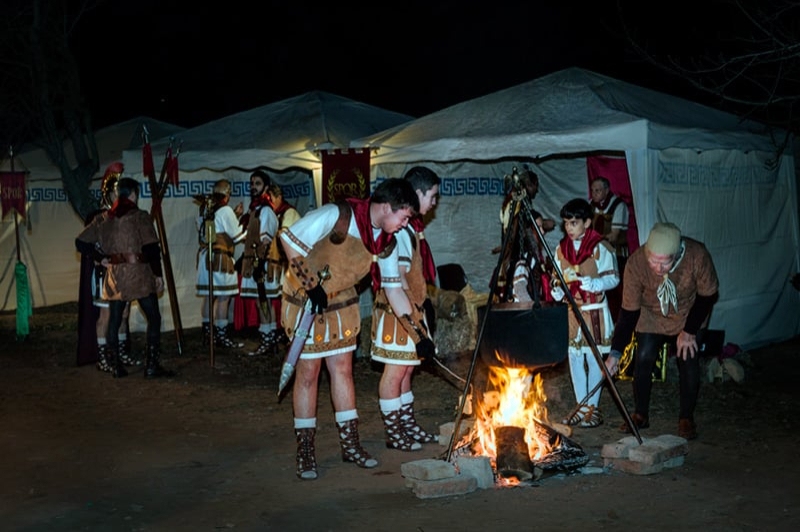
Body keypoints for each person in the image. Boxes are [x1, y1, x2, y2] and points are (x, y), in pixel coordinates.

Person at [279, 178, 420, 480]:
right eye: (404, 216)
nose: (405, 223)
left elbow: (394, 290)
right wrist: (310, 285)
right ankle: (305, 451)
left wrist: (417, 335)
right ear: (386, 207)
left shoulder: (386, 242)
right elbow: (288, 239)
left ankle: (350, 444)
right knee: (308, 374)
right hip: (308, 300)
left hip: (341, 304)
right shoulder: (336, 215)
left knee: (343, 369)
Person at [605, 222, 719, 440]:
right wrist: (615, 353)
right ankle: (640, 414)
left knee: (688, 359)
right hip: (651, 313)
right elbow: (628, 313)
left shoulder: (696, 256)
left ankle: (686, 417)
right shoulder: (636, 263)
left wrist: (689, 331)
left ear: (675, 255)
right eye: (653, 260)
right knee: (644, 356)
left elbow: (708, 295)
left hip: (689, 311)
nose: (657, 268)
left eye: (663, 262)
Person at [75, 177, 175, 379]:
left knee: (114, 320)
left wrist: (101, 258)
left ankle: (116, 367)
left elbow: (80, 242)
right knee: (153, 318)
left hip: (115, 276)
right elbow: (151, 248)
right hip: (139, 274)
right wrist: (158, 275)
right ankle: (151, 366)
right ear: (132, 194)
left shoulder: (103, 218)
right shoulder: (140, 216)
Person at [371, 167, 441, 452]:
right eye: (433, 196)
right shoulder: (399, 232)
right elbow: (397, 279)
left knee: (407, 371)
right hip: (397, 315)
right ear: (418, 193)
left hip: (412, 310)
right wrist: (414, 316)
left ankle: (406, 424)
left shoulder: (409, 228)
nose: (434, 203)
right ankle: (394, 431)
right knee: (395, 372)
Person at [550, 198, 619, 428]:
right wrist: (557, 290)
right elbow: (556, 278)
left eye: (574, 223)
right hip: (573, 312)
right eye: (566, 223)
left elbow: (614, 277)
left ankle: (593, 407)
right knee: (575, 358)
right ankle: (581, 406)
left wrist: (594, 283)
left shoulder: (600, 248)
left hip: (594, 311)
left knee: (593, 357)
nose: (569, 228)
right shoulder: (561, 249)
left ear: (587, 222)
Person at [76, 163, 135, 371]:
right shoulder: (99, 218)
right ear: (109, 194)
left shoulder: (127, 216)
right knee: (106, 316)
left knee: (124, 314)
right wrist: (99, 257)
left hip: (124, 273)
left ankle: (120, 353)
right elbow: (82, 243)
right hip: (105, 274)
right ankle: (103, 358)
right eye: (116, 193)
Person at [196, 179, 246, 349]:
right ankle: (222, 335)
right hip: (220, 260)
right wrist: (250, 228)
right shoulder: (225, 210)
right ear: (227, 193)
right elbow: (237, 235)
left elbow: (212, 229)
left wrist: (235, 215)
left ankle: (207, 333)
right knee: (223, 297)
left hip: (206, 257)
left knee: (209, 297)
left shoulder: (205, 208)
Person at [495, 166, 555, 302]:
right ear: (529, 185)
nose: (537, 190)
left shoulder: (517, 201)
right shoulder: (517, 202)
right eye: (535, 186)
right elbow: (520, 290)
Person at [237, 170, 279, 356]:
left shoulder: (267, 210)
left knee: (264, 300)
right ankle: (267, 337)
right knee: (260, 300)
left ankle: (269, 338)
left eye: (258, 183)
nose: (254, 186)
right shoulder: (254, 210)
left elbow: (266, 240)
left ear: (266, 187)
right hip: (254, 261)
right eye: (252, 183)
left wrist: (259, 265)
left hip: (262, 263)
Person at [261, 183, 301, 347]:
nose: (269, 202)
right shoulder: (272, 213)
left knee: (289, 299)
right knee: (274, 298)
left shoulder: (289, 212)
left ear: (278, 197)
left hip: (289, 264)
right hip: (278, 263)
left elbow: (286, 237)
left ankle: (288, 333)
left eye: (271, 198)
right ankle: (275, 332)